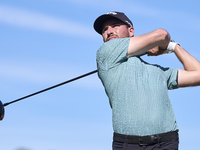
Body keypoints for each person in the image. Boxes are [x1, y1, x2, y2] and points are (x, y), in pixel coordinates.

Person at [93, 11, 200, 150]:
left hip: (165, 142)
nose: (109, 31)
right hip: (127, 144)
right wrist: (160, 44)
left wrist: (173, 47)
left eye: (115, 26)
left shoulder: (158, 71)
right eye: (105, 29)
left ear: (131, 31)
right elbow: (162, 34)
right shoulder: (105, 54)